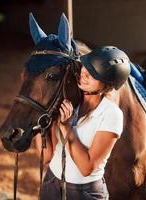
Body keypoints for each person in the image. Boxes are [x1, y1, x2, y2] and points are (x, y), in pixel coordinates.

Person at [35, 46, 131, 200]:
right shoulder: (68, 100)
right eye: (84, 68)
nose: (83, 74)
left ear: (108, 84)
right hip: (51, 184)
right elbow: (46, 157)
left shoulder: (111, 114)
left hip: (84, 193)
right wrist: (42, 122)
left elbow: (86, 168)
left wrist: (67, 128)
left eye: (92, 74)